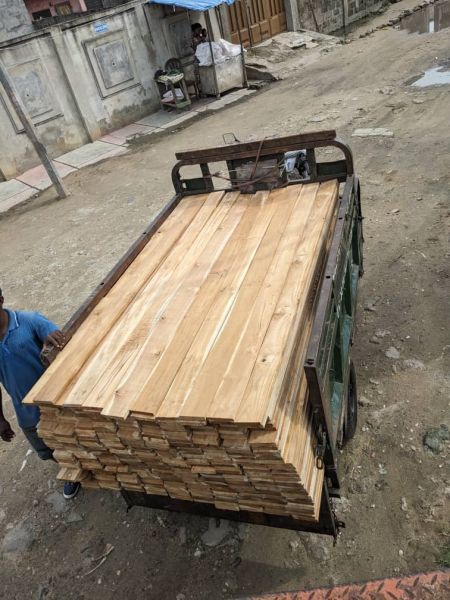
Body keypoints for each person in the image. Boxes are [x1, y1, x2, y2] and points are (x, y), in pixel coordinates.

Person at [0, 288, 80, 499]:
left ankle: (84, 465)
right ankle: (70, 472)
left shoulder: (29, 321)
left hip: (55, 401)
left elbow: (62, 341)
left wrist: (52, 343)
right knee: (46, 449)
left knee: (73, 437)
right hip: (25, 410)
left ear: (1, 300)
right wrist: (1, 419)